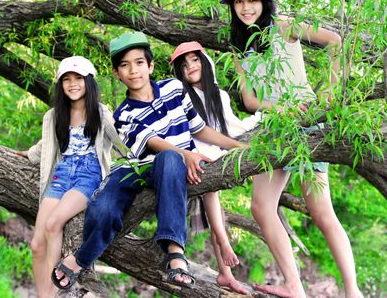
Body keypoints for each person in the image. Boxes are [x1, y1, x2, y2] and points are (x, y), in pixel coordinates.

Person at [51, 31, 246, 290]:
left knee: (170, 159)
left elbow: (199, 129)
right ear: (117, 73)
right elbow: (153, 143)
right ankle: (81, 259)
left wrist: (239, 146)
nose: (133, 70)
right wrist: (187, 154)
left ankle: (175, 253)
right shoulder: (123, 115)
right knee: (104, 209)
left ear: (151, 66)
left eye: (139, 62)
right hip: (136, 170)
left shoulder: (174, 89)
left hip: (169, 168)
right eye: (125, 65)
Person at [221, 0, 363, 298]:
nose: (245, 7)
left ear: (264, 2)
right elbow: (250, 100)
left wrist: (329, 92)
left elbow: (335, 41)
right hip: (274, 129)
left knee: (322, 212)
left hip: (307, 124)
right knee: (260, 206)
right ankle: (294, 285)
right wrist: (277, 110)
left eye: (252, 0)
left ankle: (353, 291)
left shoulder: (284, 25)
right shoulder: (238, 45)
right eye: (239, 2)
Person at [17, 56, 124, 297]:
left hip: (89, 175)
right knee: (36, 244)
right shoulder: (55, 115)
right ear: (60, 84)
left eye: (78, 78)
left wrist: (145, 160)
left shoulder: (100, 112)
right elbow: (48, 142)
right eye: (67, 79)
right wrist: (30, 154)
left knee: (54, 224)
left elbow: (122, 142)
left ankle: (55, 293)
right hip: (62, 174)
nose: (72, 83)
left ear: (89, 81)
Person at [170, 41, 264, 294]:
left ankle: (225, 273)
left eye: (195, 60)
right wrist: (231, 147)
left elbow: (230, 126)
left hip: (214, 151)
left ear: (205, 62)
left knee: (217, 213)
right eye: (184, 64)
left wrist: (258, 123)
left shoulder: (218, 95)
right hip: (192, 152)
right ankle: (223, 243)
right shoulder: (181, 96)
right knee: (211, 187)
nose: (190, 66)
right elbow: (194, 132)